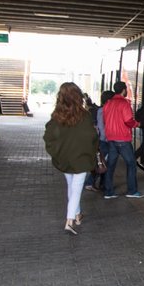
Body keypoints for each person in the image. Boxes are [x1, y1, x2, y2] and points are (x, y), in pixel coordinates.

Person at [43, 82, 99, 235]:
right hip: (81, 158)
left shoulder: (56, 115)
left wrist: (56, 151)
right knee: (76, 188)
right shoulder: (85, 115)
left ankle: (77, 215)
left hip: (64, 158)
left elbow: (49, 135)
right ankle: (70, 220)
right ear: (77, 96)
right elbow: (91, 135)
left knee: (72, 187)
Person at [102, 81, 144, 199]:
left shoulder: (108, 103)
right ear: (124, 90)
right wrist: (137, 124)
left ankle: (108, 192)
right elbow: (128, 120)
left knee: (110, 165)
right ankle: (132, 191)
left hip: (111, 138)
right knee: (131, 164)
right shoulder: (124, 104)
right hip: (123, 139)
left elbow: (105, 120)